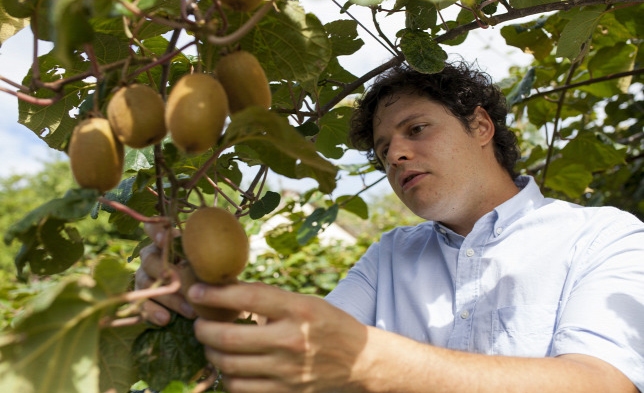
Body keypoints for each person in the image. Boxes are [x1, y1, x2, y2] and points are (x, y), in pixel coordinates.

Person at [136, 61, 644, 392]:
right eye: (383, 151)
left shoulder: (604, 236)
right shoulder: (388, 256)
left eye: (416, 129)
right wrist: (197, 297)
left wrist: (370, 359)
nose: (396, 154)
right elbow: (303, 352)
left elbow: (604, 383)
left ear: (481, 126)